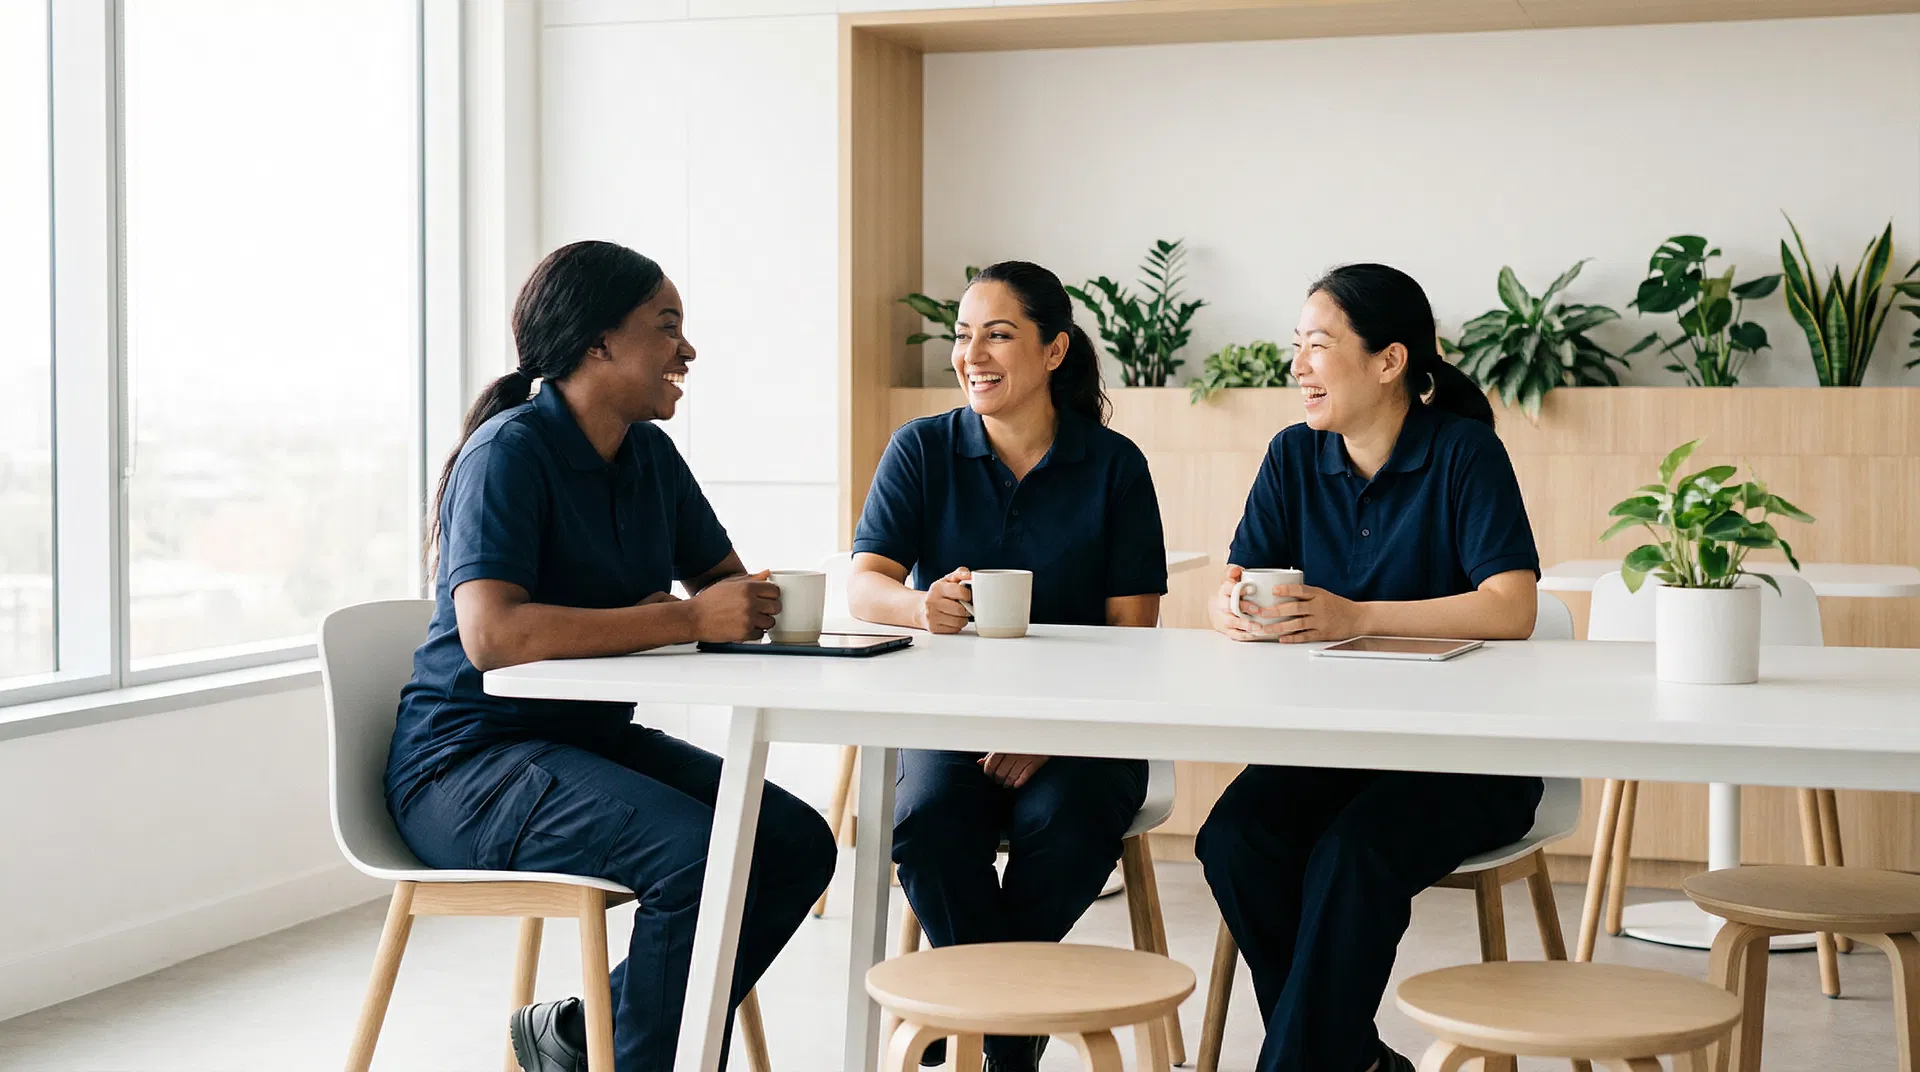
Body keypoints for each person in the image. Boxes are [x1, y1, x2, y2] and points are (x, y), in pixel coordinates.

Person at [385, 240, 836, 1072]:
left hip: (584, 744)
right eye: (667, 327)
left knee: (794, 842)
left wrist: (743, 605)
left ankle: (581, 1036)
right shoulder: (509, 453)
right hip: (468, 767)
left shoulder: (648, 455)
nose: (687, 351)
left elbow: (720, 586)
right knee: (699, 857)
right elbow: (493, 635)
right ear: (598, 342)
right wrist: (682, 617)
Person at [1196, 264, 1544, 1072]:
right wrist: (1227, 606)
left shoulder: (1464, 453)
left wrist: (1358, 616)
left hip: (1469, 759)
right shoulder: (1292, 456)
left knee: (1354, 855)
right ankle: (1354, 1061)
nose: (1298, 366)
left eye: (1318, 345)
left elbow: (1512, 608)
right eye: (1296, 345)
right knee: (1235, 840)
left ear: (1390, 361)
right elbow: (1240, 577)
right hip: (1334, 748)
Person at [847, 261, 1167, 1072]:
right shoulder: (922, 449)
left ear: (1054, 351)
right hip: (952, 720)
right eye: (963, 337)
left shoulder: (1115, 466)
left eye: (997, 335)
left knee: (1066, 821)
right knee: (927, 824)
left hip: (1084, 728)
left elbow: (1135, 633)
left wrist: (1054, 732)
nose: (971, 355)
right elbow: (865, 583)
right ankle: (1008, 1040)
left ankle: (975, 1023)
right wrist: (918, 607)